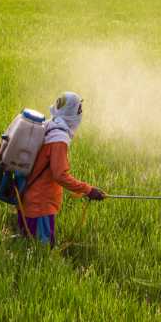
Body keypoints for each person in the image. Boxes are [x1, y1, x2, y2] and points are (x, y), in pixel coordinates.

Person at [18, 91, 105, 245]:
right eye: (79, 110)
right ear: (71, 112)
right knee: (41, 253)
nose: (81, 113)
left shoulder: (49, 125)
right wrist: (88, 190)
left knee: (27, 248)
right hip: (40, 206)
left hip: (28, 200)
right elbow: (60, 175)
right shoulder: (58, 139)